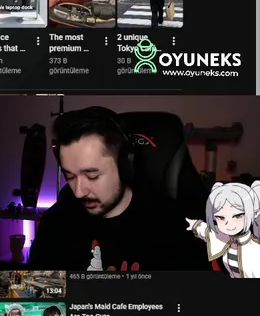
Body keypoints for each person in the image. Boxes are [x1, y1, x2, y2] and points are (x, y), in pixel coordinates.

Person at [27, 107, 205, 271]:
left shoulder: (173, 227)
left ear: (124, 165)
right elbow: (30, 292)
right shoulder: (55, 223)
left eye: (92, 176)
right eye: (70, 176)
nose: (79, 192)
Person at [187, 181, 260, 277]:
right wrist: (194, 224)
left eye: (238, 216)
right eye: (221, 217)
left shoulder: (255, 249)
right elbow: (206, 231)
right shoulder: (222, 237)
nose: (229, 224)